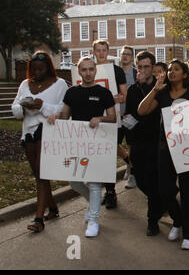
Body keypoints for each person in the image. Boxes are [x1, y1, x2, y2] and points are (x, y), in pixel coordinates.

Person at [49, 56, 116, 237]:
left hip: (95, 144)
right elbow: (65, 115)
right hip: (76, 143)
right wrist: (56, 115)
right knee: (74, 181)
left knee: (94, 183)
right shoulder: (72, 92)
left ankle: (93, 220)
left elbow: (113, 117)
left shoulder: (104, 93)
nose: (88, 73)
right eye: (84, 70)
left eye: (91, 69)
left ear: (95, 70)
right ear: (79, 72)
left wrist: (100, 118)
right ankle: (95, 201)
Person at [138, 59, 189, 250]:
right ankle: (177, 220)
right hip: (165, 150)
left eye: (176, 69)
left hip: (187, 150)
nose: (171, 72)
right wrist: (155, 89)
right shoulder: (162, 93)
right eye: (169, 69)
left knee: (188, 193)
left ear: (185, 74)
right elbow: (142, 110)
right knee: (165, 191)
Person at [12, 51, 68, 233]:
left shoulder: (59, 84)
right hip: (28, 133)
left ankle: (38, 219)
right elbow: (15, 108)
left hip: (48, 131)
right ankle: (52, 208)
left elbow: (63, 109)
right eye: (34, 69)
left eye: (41, 69)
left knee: (42, 172)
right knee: (38, 173)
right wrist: (22, 105)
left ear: (48, 68)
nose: (37, 73)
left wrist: (41, 106)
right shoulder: (24, 84)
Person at [125, 51, 163, 235]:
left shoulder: (160, 88)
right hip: (138, 141)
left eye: (146, 66)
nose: (142, 70)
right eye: (139, 67)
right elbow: (131, 116)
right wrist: (130, 146)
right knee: (140, 180)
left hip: (156, 141)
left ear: (153, 68)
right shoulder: (133, 89)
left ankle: (152, 221)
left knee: (154, 181)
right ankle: (161, 201)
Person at [92, 40, 127, 209]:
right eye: (97, 50)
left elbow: (124, 95)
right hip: (94, 119)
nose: (101, 53)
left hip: (112, 117)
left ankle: (111, 192)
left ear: (108, 51)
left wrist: (108, 99)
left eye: (103, 50)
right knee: (101, 156)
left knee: (108, 155)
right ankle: (110, 191)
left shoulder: (116, 70)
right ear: (93, 52)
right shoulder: (88, 70)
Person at [119, 46, 137, 189]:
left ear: (132, 57)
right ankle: (128, 163)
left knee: (131, 144)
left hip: (130, 115)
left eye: (128, 54)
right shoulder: (114, 72)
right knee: (114, 143)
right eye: (123, 54)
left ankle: (132, 174)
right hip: (116, 115)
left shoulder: (136, 74)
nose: (125, 56)